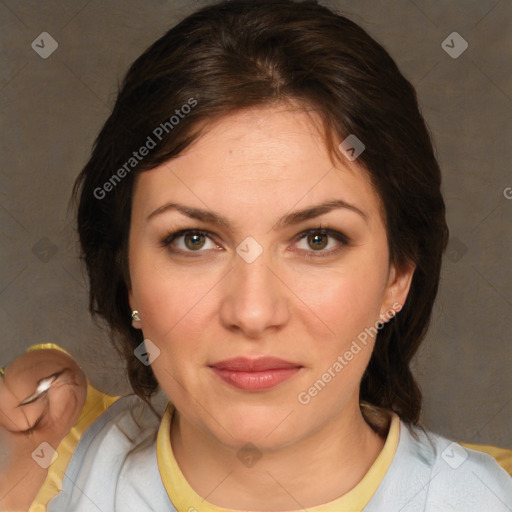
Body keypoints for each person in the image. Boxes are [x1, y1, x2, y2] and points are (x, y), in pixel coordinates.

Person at [1, 0, 511, 510]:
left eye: (317, 239)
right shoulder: (48, 471)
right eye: (193, 240)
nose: (252, 312)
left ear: (397, 275)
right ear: (125, 272)